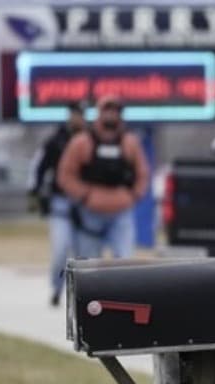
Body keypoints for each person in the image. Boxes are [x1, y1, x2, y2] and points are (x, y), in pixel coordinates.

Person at [57, 94, 150, 259]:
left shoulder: (130, 142)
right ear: (99, 113)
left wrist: (133, 195)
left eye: (115, 111)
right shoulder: (82, 142)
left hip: (121, 212)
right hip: (90, 213)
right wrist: (85, 195)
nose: (111, 115)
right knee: (89, 263)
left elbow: (142, 173)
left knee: (124, 261)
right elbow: (65, 175)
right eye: (107, 110)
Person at [27, 100, 86, 306]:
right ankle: (56, 288)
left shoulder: (91, 139)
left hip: (85, 204)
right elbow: (39, 167)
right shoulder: (56, 141)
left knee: (83, 254)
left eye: (79, 113)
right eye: (73, 113)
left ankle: (82, 295)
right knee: (61, 250)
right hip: (60, 202)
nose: (76, 117)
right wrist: (35, 192)